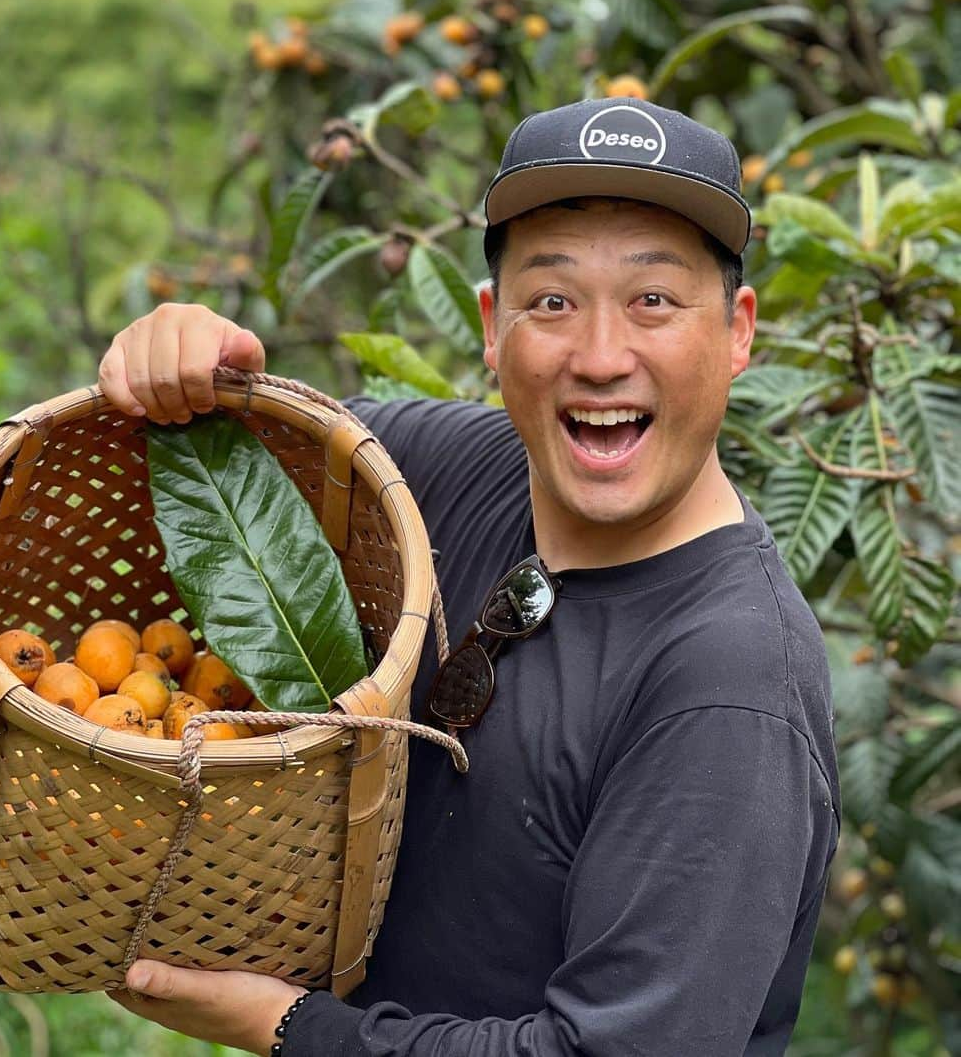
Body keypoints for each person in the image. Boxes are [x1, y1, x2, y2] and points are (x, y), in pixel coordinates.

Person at [102, 97, 841, 1056]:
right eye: (553, 302)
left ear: (739, 331)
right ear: (493, 328)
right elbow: (212, 471)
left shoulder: (729, 688)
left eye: (654, 300)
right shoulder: (442, 467)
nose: (601, 356)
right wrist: (181, 358)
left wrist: (290, 1030)